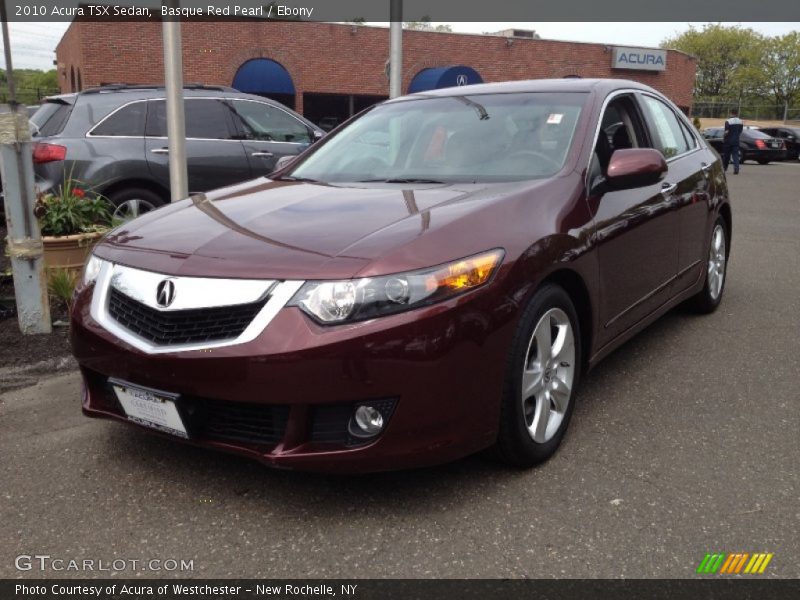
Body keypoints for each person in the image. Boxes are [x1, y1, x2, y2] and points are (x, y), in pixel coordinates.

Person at [722, 109, 744, 174]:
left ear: (731, 113)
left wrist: (723, 137)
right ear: (737, 113)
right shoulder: (740, 121)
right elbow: (740, 131)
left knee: (726, 155)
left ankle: (725, 168)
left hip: (728, 141)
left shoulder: (728, 121)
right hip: (736, 141)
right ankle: (736, 169)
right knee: (735, 155)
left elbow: (726, 131)